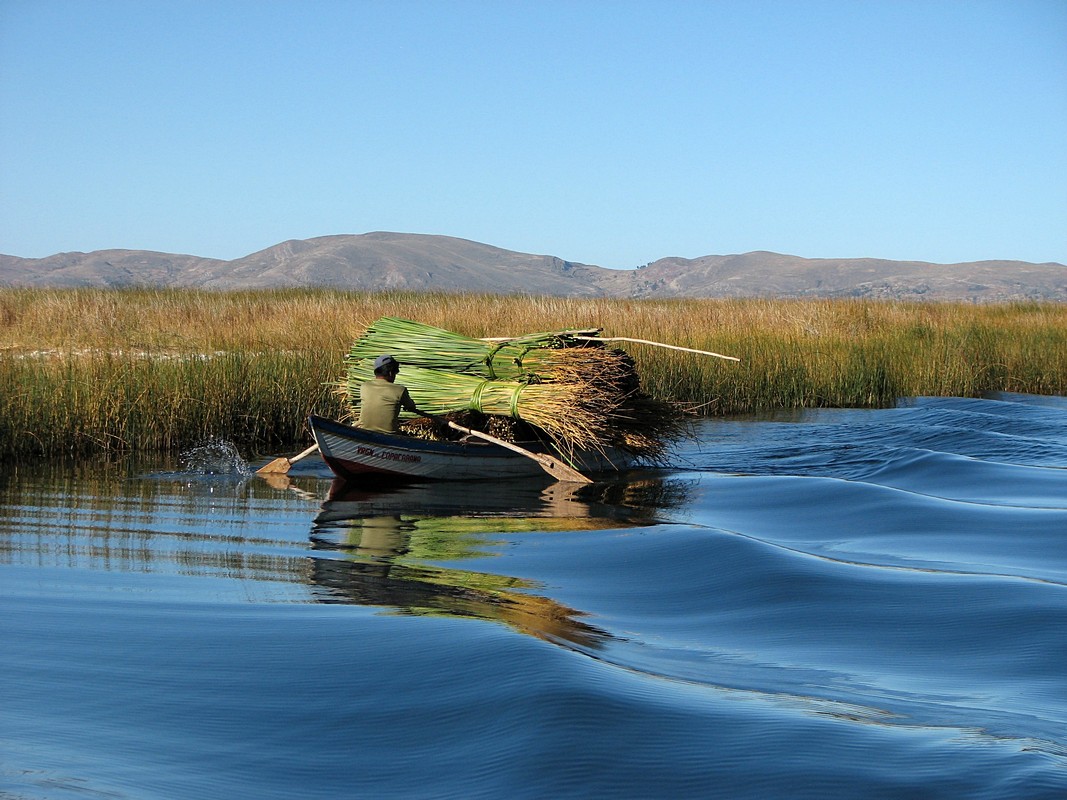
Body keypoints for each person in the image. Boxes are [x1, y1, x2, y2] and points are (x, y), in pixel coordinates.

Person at [358, 354, 441, 434]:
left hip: (365, 432)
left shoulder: (364, 387)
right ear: (390, 373)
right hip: (389, 436)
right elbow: (411, 406)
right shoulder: (400, 390)